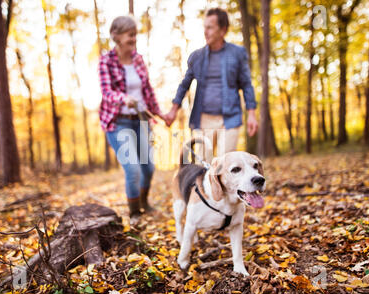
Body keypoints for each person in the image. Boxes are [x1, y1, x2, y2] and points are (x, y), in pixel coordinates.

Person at [98, 16, 169, 223]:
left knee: (148, 167)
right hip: (118, 122)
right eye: (130, 35)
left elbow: (148, 91)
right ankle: (135, 213)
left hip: (141, 120)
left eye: (135, 35)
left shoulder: (138, 59)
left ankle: (144, 203)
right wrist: (123, 98)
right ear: (116, 36)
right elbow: (106, 92)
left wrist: (160, 113)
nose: (133, 39)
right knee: (133, 169)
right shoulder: (106, 61)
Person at [166, 8, 258, 160]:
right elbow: (184, 85)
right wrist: (173, 110)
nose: (205, 32)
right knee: (203, 165)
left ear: (223, 30)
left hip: (230, 118)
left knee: (226, 163)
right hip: (204, 119)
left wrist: (252, 115)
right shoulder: (197, 57)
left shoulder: (237, 53)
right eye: (204, 27)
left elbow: (247, 84)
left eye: (210, 27)